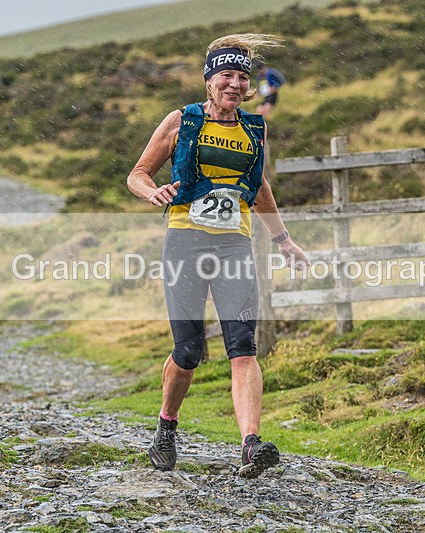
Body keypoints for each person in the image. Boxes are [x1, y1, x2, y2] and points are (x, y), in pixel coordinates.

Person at [126, 33, 308, 478]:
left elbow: (260, 187)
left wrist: (283, 240)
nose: (234, 84)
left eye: (242, 78)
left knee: (242, 347)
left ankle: (250, 445)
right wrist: (154, 193)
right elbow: (137, 173)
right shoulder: (181, 121)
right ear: (209, 81)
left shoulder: (254, 128)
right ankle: (167, 426)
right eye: (225, 75)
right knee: (188, 352)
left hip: (234, 246)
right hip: (185, 242)